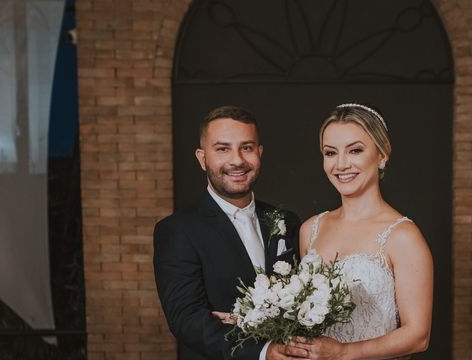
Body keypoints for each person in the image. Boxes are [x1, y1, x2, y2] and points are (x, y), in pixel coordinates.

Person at [153, 105, 305, 360]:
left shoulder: (286, 221)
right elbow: (186, 319)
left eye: (246, 147)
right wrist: (264, 352)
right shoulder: (177, 231)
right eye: (223, 149)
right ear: (202, 158)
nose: (237, 160)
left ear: (260, 153)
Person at [294, 103, 433, 359]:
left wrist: (343, 352)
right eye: (330, 153)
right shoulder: (310, 229)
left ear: (382, 155)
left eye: (355, 150)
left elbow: (418, 336)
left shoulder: (402, 236)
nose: (341, 164)